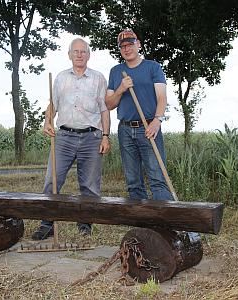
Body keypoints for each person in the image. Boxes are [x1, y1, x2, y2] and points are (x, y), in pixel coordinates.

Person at [31, 38, 111, 240]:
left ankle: (85, 224)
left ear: (88, 55)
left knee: (90, 186)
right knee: (52, 181)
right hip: (64, 137)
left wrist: (105, 136)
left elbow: (104, 110)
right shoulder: (60, 78)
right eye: (75, 51)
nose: (79, 55)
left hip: (91, 137)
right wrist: (47, 121)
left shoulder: (98, 78)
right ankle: (47, 224)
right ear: (69, 55)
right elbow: (53, 105)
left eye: (83, 51)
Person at [105, 29, 173, 201]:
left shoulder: (153, 67)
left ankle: (170, 223)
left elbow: (162, 98)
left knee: (158, 179)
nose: (127, 49)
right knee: (133, 181)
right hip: (125, 130)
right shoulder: (116, 71)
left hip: (149, 127)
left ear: (138, 44)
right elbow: (109, 104)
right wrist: (121, 88)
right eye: (123, 47)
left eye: (130, 44)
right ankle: (143, 225)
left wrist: (157, 121)